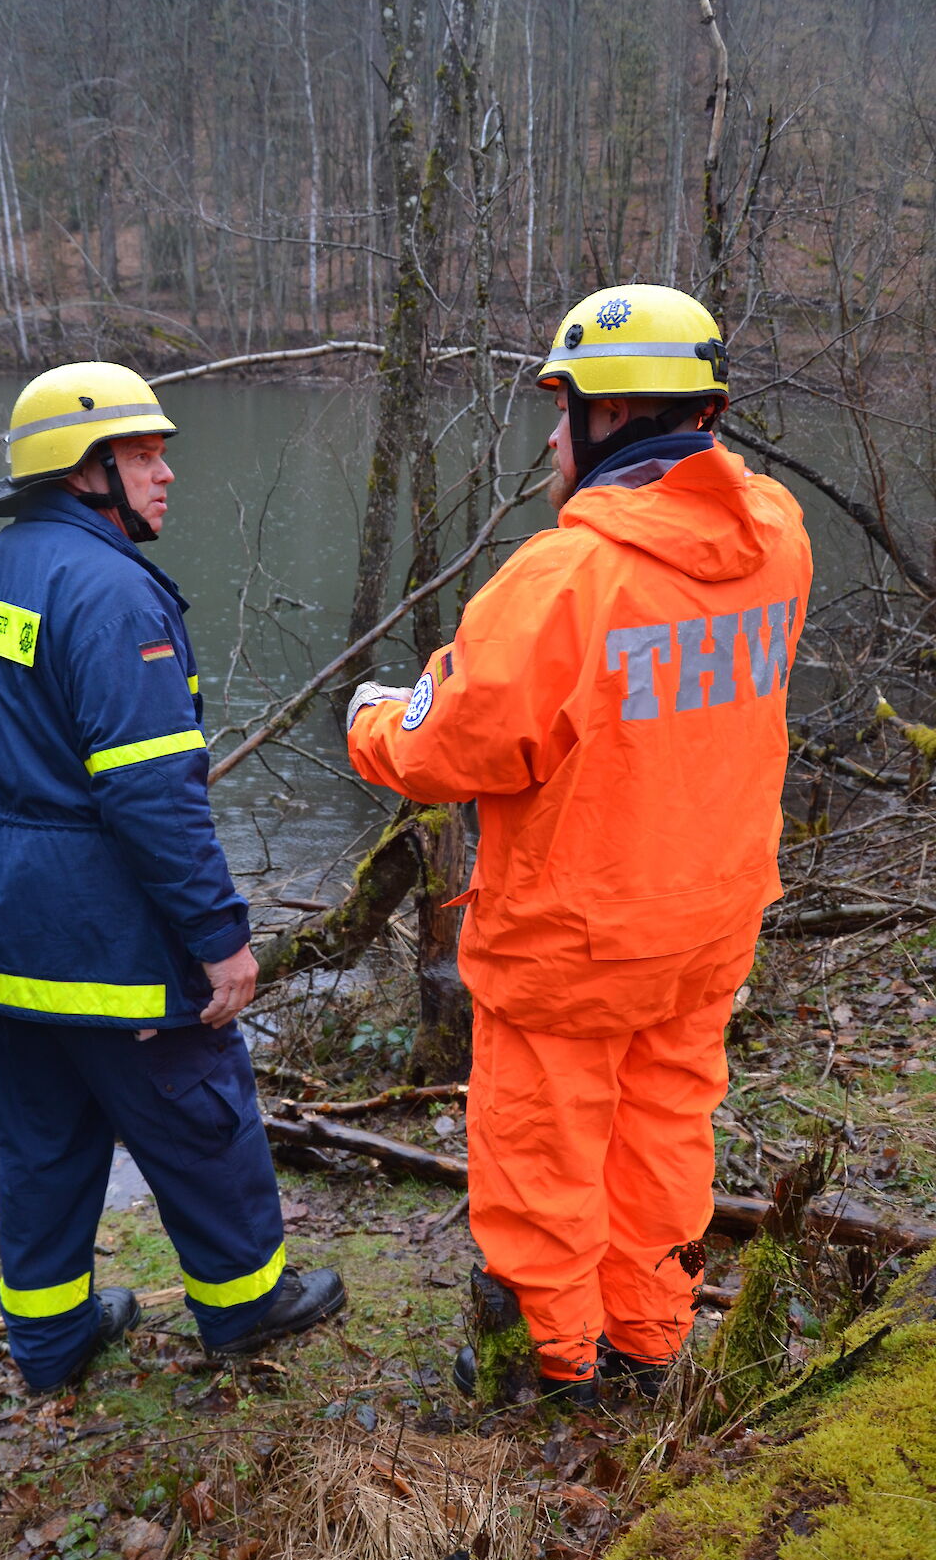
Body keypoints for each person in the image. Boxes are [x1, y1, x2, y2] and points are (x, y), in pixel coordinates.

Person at [346, 285, 811, 1407]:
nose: (552, 438)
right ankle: (648, 1345)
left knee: (544, 1159)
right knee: (664, 1134)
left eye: (564, 411)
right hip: (708, 921)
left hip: (578, 938)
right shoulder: (778, 538)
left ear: (613, 417)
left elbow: (448, 745)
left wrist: (370, 716)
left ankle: (556, 1376)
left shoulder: (566, 580)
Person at [0, 362, 344, 1393]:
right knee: (203, 1113)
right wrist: (220, 939)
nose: (167, 475)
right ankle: (249, 1307)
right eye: (146, 454)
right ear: (86, 472)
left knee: (41, 1138)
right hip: (104, 934)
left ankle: (49, 1340)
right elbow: (153, 795)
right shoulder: (115, 591)